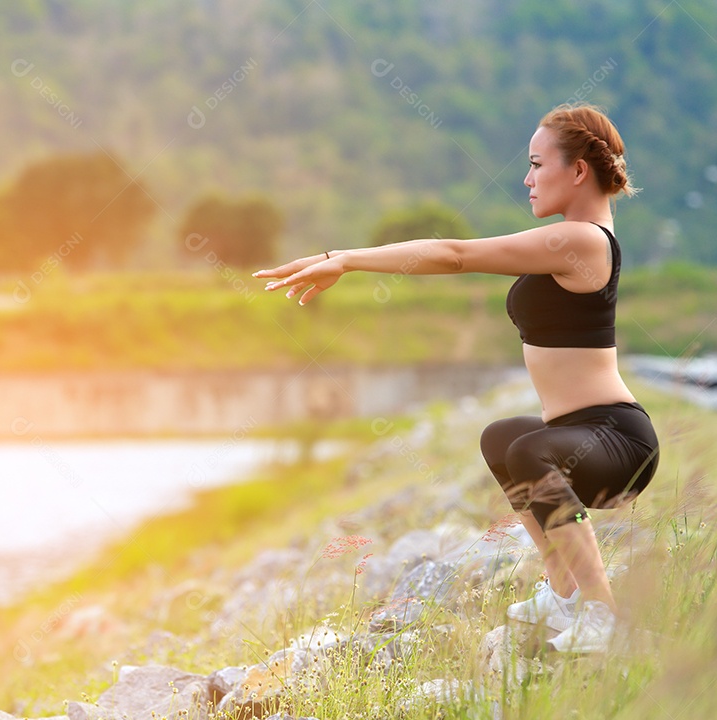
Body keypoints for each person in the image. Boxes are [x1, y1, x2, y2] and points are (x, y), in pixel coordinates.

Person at [254, 103, 660, 653]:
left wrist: (345, 259)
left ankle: (603, 613)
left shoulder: (581, 240)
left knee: (531, 452)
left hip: (618, 440)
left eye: (538, 164)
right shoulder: (571, 239)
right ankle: (563, 595)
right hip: (583, 433)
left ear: (579, 171)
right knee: (502, 439)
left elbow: (453, 254)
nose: (527, 177)